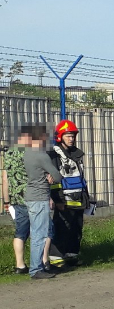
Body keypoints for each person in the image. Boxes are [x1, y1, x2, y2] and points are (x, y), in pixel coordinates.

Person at [22, 125, 62, 279]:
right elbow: (57, 176)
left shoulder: (27, 154)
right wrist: (52, 178)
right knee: (40, 234)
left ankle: (36, 266)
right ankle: (36, 269)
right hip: (40, 197)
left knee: (36, 233)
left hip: (31, 196)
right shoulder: (41, 155)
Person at [49, 119, 90, 267]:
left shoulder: (76, 154)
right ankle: (55, 257)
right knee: (62, 227)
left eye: (73, 135)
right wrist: (58, 200)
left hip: (79, 197)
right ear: (60, 137)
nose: (71, 139)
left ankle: (72, 255)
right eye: (68, 136)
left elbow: (80, 177)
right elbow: (53, 181)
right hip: (64, 200)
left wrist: (87, 198)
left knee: (76, 228)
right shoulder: (54, 155)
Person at [2, 128, 32, 274]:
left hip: (16, 199)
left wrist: (6, 201)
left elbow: (5, 178)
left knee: (21, 232)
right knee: (44, 230)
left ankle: (19, 265)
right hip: (33, 196)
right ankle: (42, 263)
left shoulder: (9, 154)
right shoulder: (29, 153)